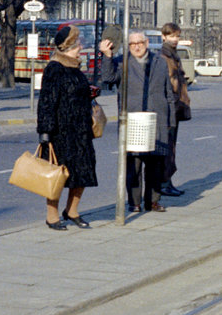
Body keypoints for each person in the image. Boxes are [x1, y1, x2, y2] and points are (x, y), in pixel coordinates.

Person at [100, 30, 176, 214]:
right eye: (132, 44)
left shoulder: (159, 62)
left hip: (156, 118)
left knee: (155, 164)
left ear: (147, 42)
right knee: (133, 165)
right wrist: (107, 56)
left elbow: (168, 92)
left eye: (140, 42)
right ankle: (134, 202)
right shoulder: (122, 63)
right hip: (133, 120)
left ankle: (153, 201)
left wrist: (171, 119)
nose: (136, 47)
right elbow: (108, 78)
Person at [36, 25, 97, 230]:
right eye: (78, 42)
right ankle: (51, 215)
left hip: (80, 130)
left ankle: (72, 210)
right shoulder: (54, 68)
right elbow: (46, 102)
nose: (81, 46)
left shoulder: (75, 67)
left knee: (83, 171)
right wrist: (45, 132)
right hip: (61, 132)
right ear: (70, 45)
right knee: (58, 176)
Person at [158, 22, 190, 197]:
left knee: (171, 147)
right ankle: (164, 183)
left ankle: (167, 182)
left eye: (177, 36)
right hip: (169, 106)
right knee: (168, 146)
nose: (175, 39)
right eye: (171, 36)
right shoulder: (164, 56)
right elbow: (168, 83)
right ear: (164, 37)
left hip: (174, 106)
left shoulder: (173, 55)